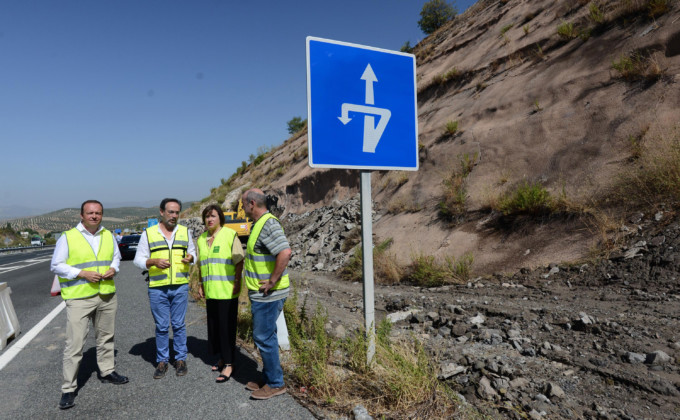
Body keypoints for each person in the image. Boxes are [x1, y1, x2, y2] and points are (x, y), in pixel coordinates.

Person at [50, 200, 129, 410]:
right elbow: (56, 265)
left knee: (106, 337)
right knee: (74, 344)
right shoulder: (68, 237)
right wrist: (81, 273)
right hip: (79, 297)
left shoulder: (108, 235)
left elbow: (116, 258)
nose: (94, 216)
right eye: (90, 213)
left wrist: (114, 269)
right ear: (82, 215)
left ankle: (107, 371)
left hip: (106, 294)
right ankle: (68, 388)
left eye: (98, 213)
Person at [134, 198, 196, 379]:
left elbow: (194, 255)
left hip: (180, 286)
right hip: (157, 288)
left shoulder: (185, 232)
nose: (174, 216)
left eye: (177, 212)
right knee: (161, 326)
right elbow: (138, 260)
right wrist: (152, 261)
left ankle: (180, 359)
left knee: (178, 325)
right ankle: (162, 360)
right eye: (170, 212)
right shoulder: (148, 233)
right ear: (161, 212)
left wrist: (191, 259)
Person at [241, 188, 292, 400]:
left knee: (263, 337)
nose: (242, 208)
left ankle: (276, 384)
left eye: (243, 204)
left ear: (252, 203)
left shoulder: (268, 223)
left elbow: (285, 252)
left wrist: (272, 280)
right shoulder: (258, 224)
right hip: (261, 293)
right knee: (266, 336)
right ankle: (270, 375)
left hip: (269, 294)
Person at [196, 204, 244, 383]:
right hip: (211, 291)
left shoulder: (229, 235)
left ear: (220, 218)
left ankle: (229, 364)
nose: (209, 219)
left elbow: (239, 260)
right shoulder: (201, 238)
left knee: (226, 329)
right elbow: (201, 264)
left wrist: (237, 281)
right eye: (207, 217)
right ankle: (222, 357)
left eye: (213, 216)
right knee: (215, 328)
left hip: (226, 291)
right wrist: (201, 284)